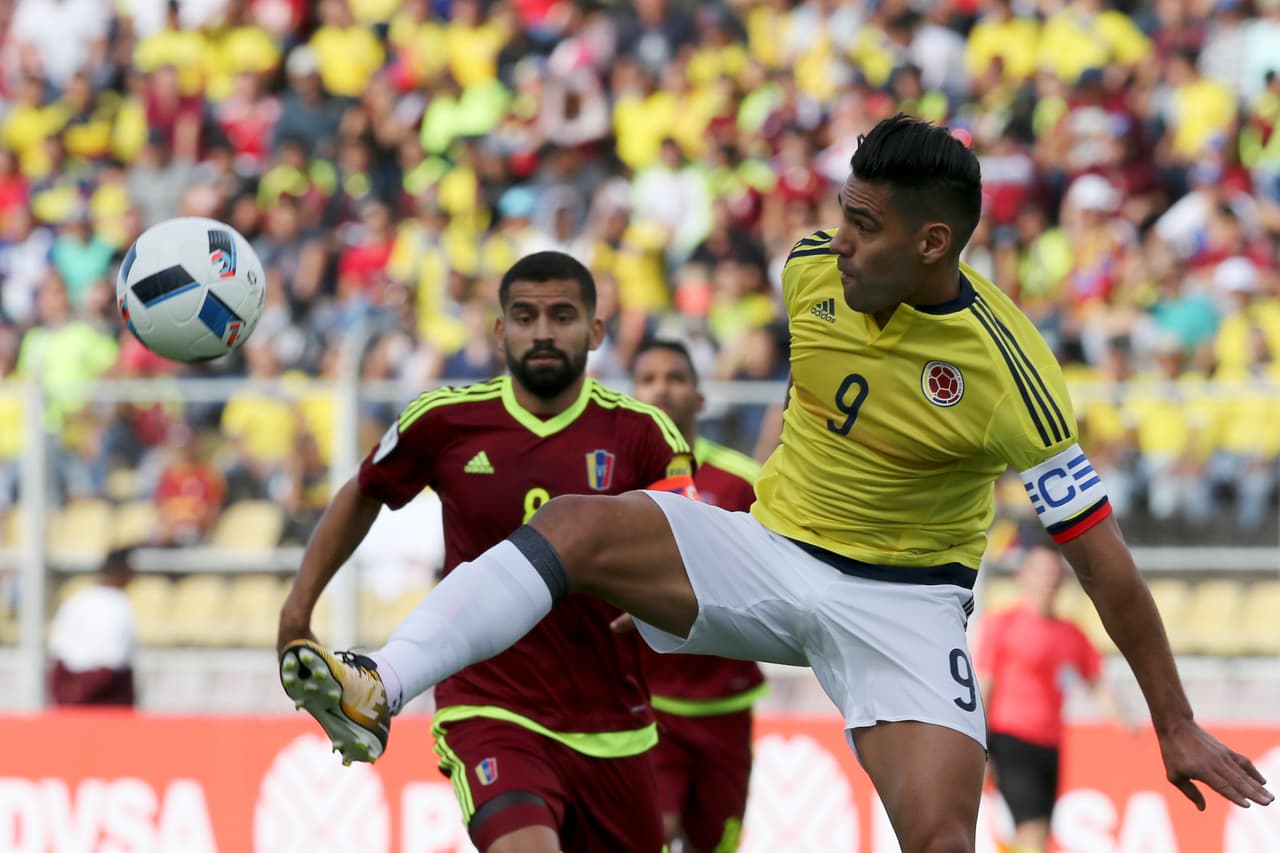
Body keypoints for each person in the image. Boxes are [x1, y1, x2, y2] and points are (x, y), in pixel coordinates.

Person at [280, 115, 1273, 853]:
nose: (838, 241)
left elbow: (1102, 562)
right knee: (578, 526)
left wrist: (1171, 719)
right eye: (842, 215)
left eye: (865, 227)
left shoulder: (1012, 374)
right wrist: (664, 562)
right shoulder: (808, 272)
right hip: (767, 552)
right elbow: (818, 406)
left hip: (905, 605)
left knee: (942, 840)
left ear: (932, 243)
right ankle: (379, 685)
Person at [278, 251, 695, 853]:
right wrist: (296, 611)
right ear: (500, 332)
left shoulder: (644, 433)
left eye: (562, 316)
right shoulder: (446, 420)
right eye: (525, 317)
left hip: (614, 723)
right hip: (490, 710)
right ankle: (379, 684)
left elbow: (692, 542)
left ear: (596, 331)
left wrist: (661, 592)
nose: (543, 332)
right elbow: (364, 492)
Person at [627, 339, 765, 853]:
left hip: (725, 702)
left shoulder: (743, 482)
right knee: (652, 833)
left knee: (717, 845)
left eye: (676, 377)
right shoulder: (612, 482)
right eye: (648, 379)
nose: (661, 388)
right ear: (631, 397)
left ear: (701, 398)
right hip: (646, 703)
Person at [976, 546, 1133, 853]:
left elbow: (1097, 682)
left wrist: (1122, 717)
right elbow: (985, 686)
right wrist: (979, 747)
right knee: (1032, 829)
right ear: (1023, 576)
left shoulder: (1070, 633)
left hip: (1050, 743)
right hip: (1011, 739)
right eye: (1042, 572)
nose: (1049, 579)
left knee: (1038, 833)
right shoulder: (1002, 625)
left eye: (1054, 572)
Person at [48, 548, 137, 707]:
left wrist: (67, 698)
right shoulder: (118, 605)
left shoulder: (76, 600)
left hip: (72, 690)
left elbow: (58, 655)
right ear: (124, 571)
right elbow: (112, 663)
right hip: (106, 699)